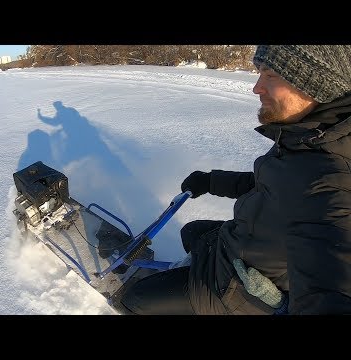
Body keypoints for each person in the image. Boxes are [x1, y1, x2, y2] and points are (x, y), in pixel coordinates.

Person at [120, 45, 351, 315]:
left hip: (239, 292)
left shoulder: (332, 178)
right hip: (238, 248)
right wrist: (211, 181)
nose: (256, 88)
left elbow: (332, 285)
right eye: (258, 73)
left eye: (271, 75)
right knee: (191, 231)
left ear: (316, 85)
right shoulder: (308, 136)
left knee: (133, 299)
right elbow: (274, 186)